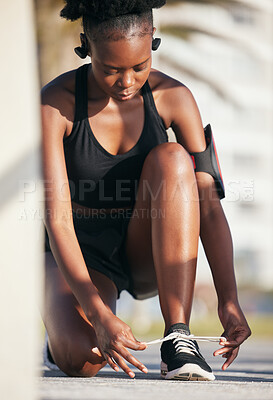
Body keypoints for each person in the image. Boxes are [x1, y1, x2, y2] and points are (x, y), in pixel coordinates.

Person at [41, 0, 251, 381]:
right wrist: (99, 315)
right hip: (78, 252)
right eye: (111, 70)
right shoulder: (56, 105)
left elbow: (208, 208)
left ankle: (178, 339)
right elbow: (56, 220)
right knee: (82, 358)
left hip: (145, 248)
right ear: (86, 45)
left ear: (153, 41)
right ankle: (61, 336)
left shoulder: (176, 98)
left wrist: (229, 300)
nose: (126, 82)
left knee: (173, 158)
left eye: (139, 66)